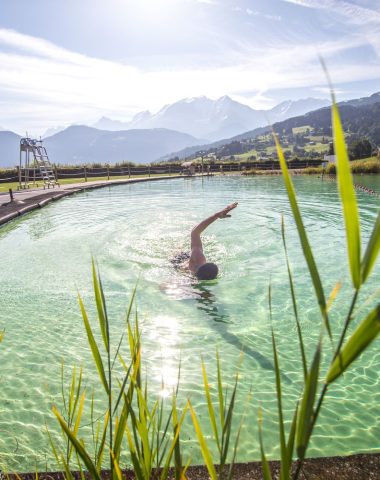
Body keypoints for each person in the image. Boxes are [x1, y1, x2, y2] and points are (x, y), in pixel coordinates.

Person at [188, 202, 238, 280]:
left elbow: (195, 233)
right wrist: (216, 216)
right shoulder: (198, 258)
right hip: (181, 261)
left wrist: (216, 216)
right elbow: (195, 233)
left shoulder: (198, 261)